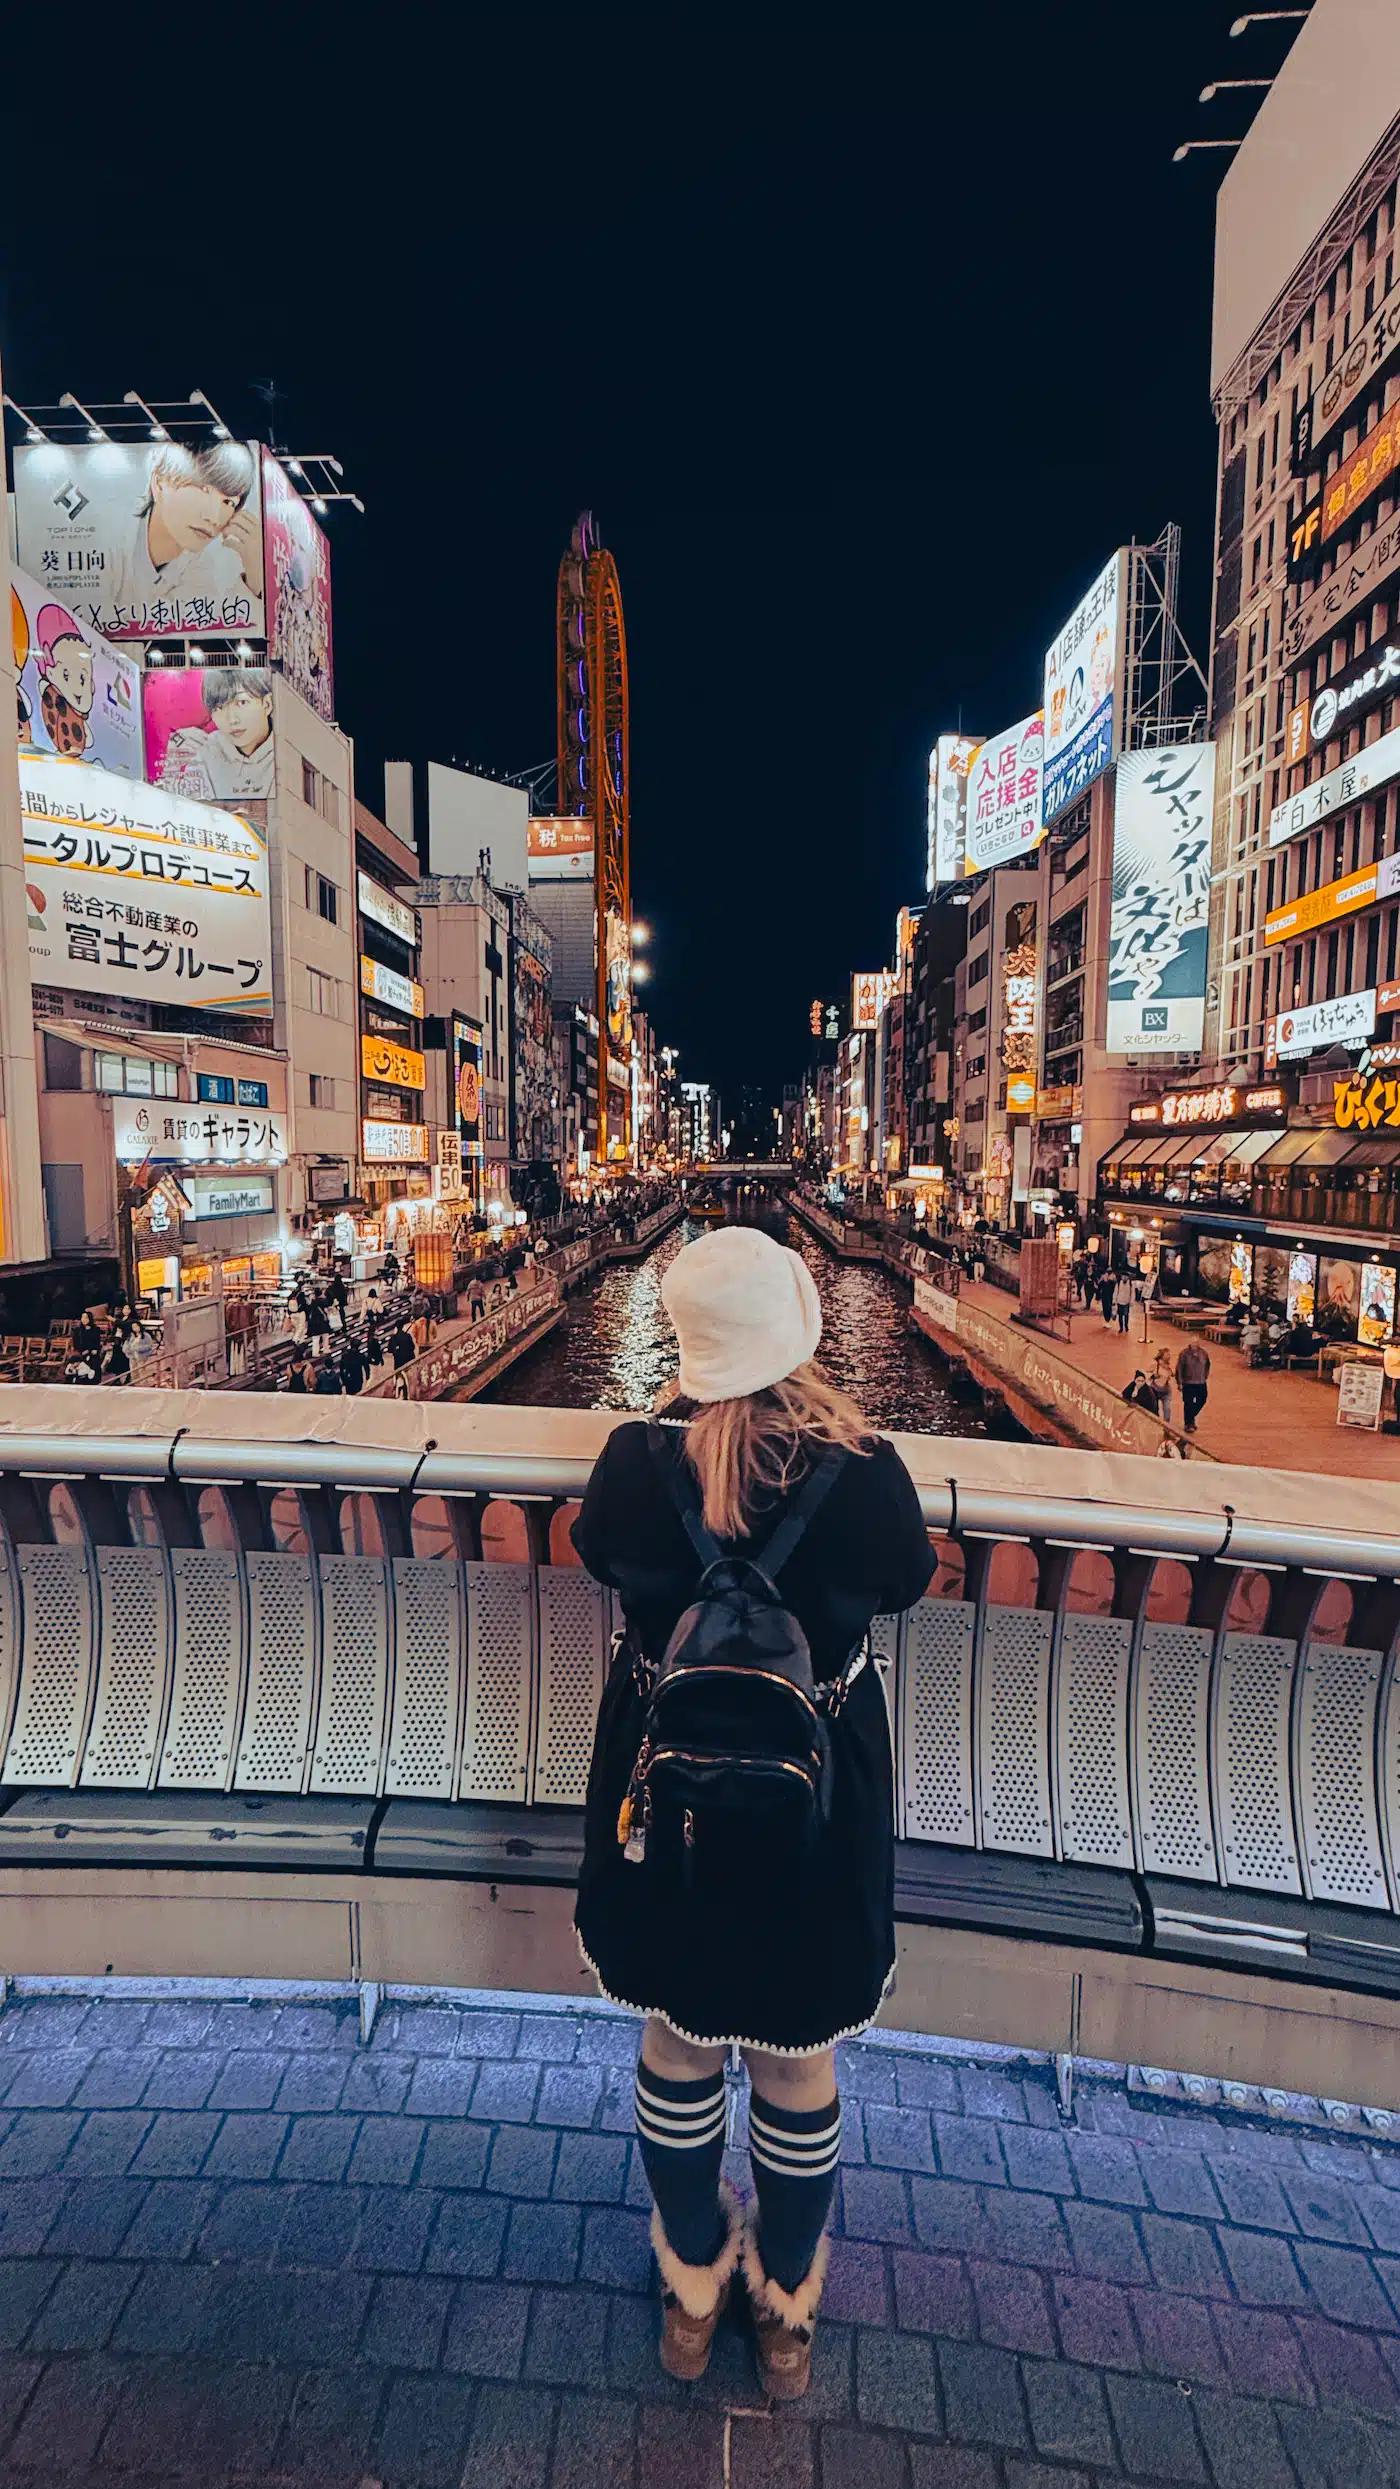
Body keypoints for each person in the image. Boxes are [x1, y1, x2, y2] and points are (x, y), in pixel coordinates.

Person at [571, 1227, 933, 2399]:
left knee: (676, 2040)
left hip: (666, 1801)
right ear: (798, 1330)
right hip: (813, 1812)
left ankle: (688, 2287)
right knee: (795, 2057)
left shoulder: (636, 1461)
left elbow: (596, 1554)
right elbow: (907, 1579)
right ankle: (784, 2308)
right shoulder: (862, 1468)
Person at [156, 667, 274, 802]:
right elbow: (178, 808)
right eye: (218, 708)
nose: (232, 720)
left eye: (241, 703)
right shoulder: (206, 750)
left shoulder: (286, 749)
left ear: (267, 704)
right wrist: (173, 765)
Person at [1176, 1339, 1211, 1432]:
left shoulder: (1203, 1353)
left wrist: (1205, 1376)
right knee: (1188, 1403)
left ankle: (1191, 1417)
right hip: (1188, 1382)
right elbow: (1179, 1368)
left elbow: (1207, 1364)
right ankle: (1188, 1424)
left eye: (1196, 1342)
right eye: (1193, 1342)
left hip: (1201, 1382)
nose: (1195, 1344)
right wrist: (1179, 1382)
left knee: (1202, 1399)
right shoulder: (1184, 1354)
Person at [1149, 1348, 1175, 1428]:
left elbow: (1173, 1374)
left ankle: (1166, 1428)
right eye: (1167, 1354)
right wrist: (1153, 1376)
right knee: (1154, 1409)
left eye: (1169, 1354)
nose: (1169, 1356)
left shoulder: (1169, 1366)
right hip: (1154, 1390)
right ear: (1162, 1356)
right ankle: (1154, 1425)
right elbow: (1146, 1374)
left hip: (1165, 1391)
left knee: (1167, 1409)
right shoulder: (1155, 1364)